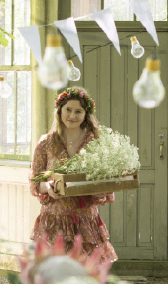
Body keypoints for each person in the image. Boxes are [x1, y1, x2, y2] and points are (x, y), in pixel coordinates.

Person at [30, 86, 118, 264]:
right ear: (59, 110)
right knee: (55, 276)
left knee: (84, 276)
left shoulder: (95, 143)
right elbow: (35, 182)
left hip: (85, 220)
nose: (72, 115)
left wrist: (97, 187)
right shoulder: (46, 143)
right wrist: (48, 187)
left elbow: (104, 181)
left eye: (78, 111)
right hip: (54, 220)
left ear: (86, 115)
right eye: (68, 109)